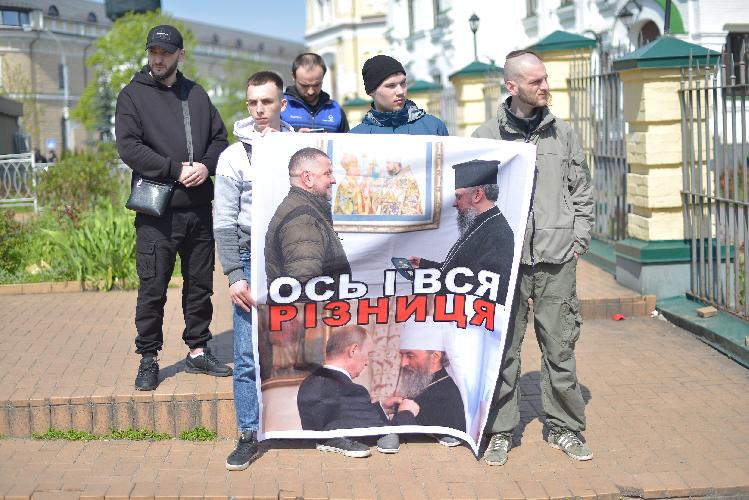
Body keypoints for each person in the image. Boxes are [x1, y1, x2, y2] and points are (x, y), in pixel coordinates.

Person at [472, 50, 594, 465]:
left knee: (559, 348)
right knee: (504, 351)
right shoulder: (486, 136)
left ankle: (564, 427)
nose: (545, 87)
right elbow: (471, 202)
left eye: (546, 78)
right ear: (513, 87)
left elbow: (581, 190)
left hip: (557, 258)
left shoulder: (563, 134)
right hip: (506, 263)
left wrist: (579, 237)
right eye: (536, 81)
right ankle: (501, 431)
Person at [115, 25, 231, 391]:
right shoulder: (132, 95)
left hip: (197, 208)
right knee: (153, 287)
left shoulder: (196, 94)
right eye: (153, 51)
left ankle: (197, 350)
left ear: (180, 54)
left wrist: (205, 166)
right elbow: (129, 148)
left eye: (165, 52)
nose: (158, 58)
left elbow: (219, 138)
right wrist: (176, 169)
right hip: (157, 212)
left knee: (200, 286)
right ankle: (149, 357)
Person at [214, 70, 294, 471]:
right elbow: (224, 222)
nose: (260, 109)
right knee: (246, 354)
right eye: (253, 103)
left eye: (267, 101)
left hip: (295, 262)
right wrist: (234, 274)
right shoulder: (232, 156)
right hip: (249, 260)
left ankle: (316, 425)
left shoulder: (303, 147)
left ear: (282, 103)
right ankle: (248, 432)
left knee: (304, 345)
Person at [409, 160, 514, 305]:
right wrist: (423, 265)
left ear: (477, 195)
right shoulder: (478, 222)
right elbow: (458, 270)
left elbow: (482, 286)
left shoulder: (498, 233)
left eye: (459, 196)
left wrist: (431, 280)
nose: (454, 203)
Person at [296, 325, 402, 456]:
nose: (367, 362)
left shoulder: (307, 384)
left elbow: (342, 415)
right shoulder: (353, 391)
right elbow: (385, 439)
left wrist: (382, 407)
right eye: (367, 354)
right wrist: (405, 413)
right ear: (353, 350)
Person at [264, 148, 351, 302]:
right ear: (307, 178)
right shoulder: (303, 221)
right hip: (309, 322)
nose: (333, 180)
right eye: (327, 173)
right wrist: (317, 325)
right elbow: (305, 290)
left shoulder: (305, 211)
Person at [387, 318, 466, 446]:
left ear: (435, 357)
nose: (403, 363)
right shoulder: (422, 384)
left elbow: (402, 441)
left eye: (410, 355)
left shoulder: (445, 397)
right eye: (402, 355)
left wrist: (404, 414)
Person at [349, 55, 449, 136]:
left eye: (403, 83)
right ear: (371, 91)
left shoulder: (433, 127)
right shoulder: (356, 138)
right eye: (391, 86)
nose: (400, 91)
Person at [280, 52, 349, 133]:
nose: (310, 91)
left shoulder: (335, 109)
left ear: (323, 77)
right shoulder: (279, 106)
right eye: (304, 85)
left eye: (316, 85)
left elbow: (347, 143)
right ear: (293, 77)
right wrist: (295, 138)